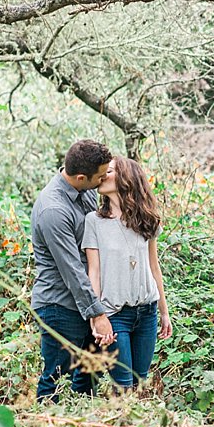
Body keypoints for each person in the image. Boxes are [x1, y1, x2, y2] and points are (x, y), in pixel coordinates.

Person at [30, 139, 117, 403]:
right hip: (59, 306)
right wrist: (97, 313)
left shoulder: (85, 190)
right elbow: (72, 270)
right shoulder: (53, 210)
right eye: (100, 176)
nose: (104, 180)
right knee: (55, 379)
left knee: (89, 374)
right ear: (81, 177)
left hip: (86, 301)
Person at [83, 157, 172, 390]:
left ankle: (138, 426)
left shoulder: (147, 219)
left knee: (139, 382)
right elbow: (94, 271)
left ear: (125, 178)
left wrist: (164, 312)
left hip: (147, 312)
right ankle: (120, 425)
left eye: (109, 171)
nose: (102, 175)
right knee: (122, 386)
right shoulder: (93, 222)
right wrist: (96, 317)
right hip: (114, 314)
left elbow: (154, 267)